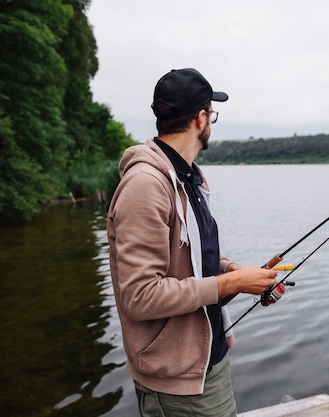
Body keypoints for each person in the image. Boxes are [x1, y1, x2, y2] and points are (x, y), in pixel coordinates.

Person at [106, 68, 277, 417]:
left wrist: (241, 276)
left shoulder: (188, 178)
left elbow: (196, 261)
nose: (210, 120)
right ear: (201, 118)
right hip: (175, 383)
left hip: (205, 365)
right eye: (211, 113)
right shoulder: (145, 186)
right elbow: (140, 296)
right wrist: (228, 283)